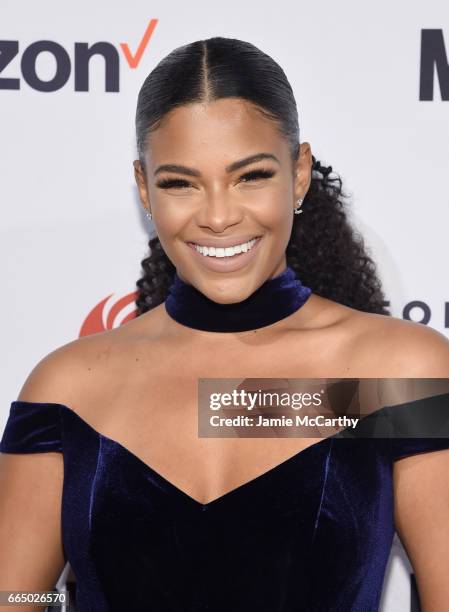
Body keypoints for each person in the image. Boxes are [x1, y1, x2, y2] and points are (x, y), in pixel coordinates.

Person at [1, 36, 449, 612]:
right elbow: (16, 594)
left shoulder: (398, 373)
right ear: (144, 187)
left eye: (250, 176)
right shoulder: (69, 386)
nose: (217, 216)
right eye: (179, 182)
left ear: (299, 173)